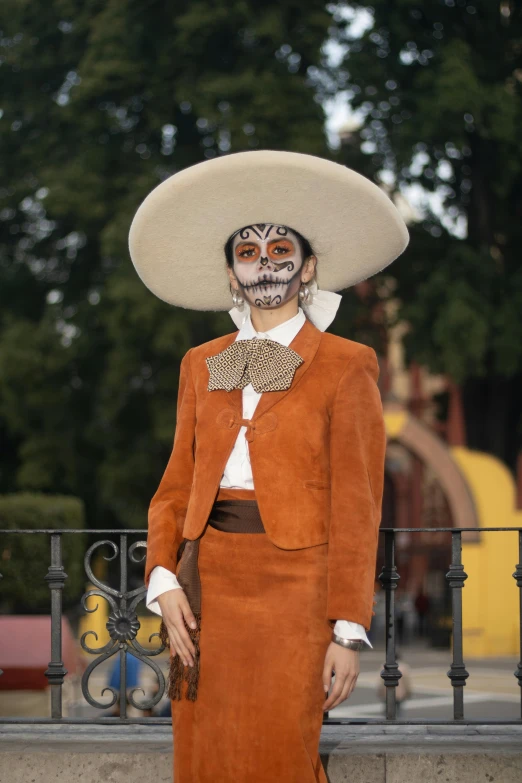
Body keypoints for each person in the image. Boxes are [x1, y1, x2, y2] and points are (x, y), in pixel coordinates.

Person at [128, 150, 409, 783]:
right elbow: (175, 484)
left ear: (307, 267)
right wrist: (164, 578)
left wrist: (347, 629)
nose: (265, 264)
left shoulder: (346, 362)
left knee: (281, 755)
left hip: (297, 591)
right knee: (203, 755)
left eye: (280, 249)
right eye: (247, 253)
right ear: (230, 273)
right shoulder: (201, 363)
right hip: (206, 589)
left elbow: (359, 505)